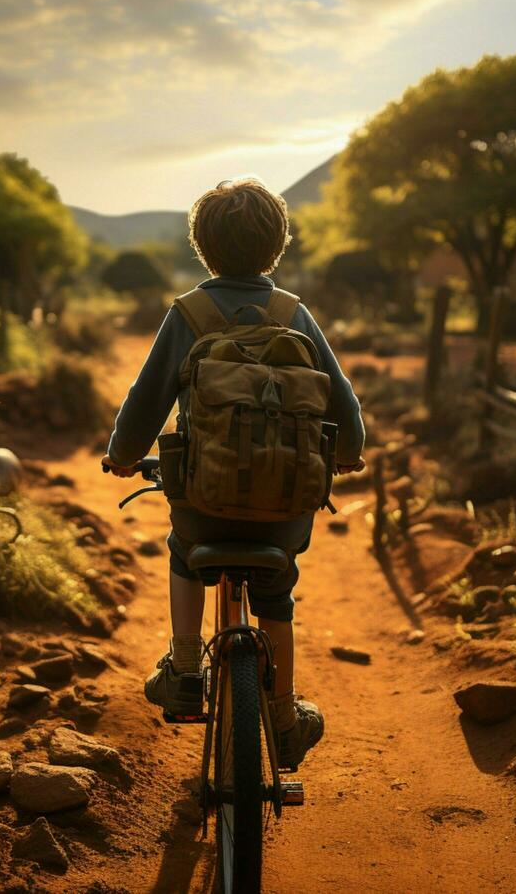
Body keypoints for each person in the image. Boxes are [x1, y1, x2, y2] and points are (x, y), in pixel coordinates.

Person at [102, 177, 365, 767]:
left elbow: (145, 403)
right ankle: (284, 718)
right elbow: (343, 404)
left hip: (203, 502)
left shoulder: (188, 314)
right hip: (284, 510)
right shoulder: (293, 314)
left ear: (202, 246)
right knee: (278, 593)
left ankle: (188, 669)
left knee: (182, 550)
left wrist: (123, 457)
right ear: (278, 244)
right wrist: (348, 451)